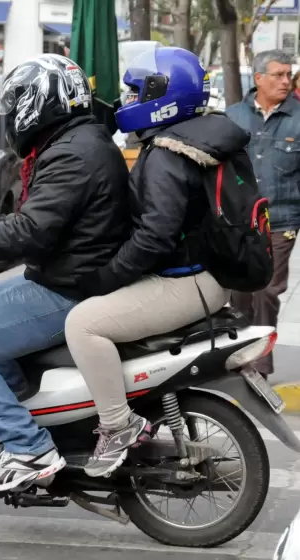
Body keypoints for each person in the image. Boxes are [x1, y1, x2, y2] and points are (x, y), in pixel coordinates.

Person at [0, 54, 131, 492]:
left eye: (17, 103)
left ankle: (28, 447)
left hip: (69, 287)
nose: (11, 114)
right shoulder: (75, 141)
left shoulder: (73, 153)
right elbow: (41, 222)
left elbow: (30, 234)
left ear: (40, 102)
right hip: (70, 272)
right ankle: (19, 411)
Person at [64, 46, 249, 478]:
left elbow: (156, 235)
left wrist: (107, 277)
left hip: (185, 283)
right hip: (206, 276)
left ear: (162, 95)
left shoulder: (168, 153)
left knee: (82, 323)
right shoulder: (197, 135)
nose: (128, 101)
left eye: (135, 92)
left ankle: (117, 426)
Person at [226, 49, 300, 377]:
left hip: (282, 221)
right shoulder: (232, 117)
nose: (286, 81)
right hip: (239, 222)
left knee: (267, 290)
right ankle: (240, 356)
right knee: (240, 292)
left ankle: (261, 368)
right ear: (258, 78)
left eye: (289, 75)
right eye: (279, 75)